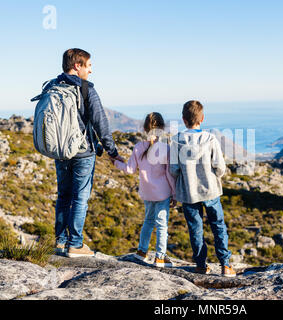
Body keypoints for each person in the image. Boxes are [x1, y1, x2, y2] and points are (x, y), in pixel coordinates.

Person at [50, 48, 124, 258]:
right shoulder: (86, 90)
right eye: (88, 66)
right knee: (80, 198)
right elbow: (101, 123)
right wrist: (112, 151)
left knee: (63, 195)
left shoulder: (54, 87)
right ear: (77, 66)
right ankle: (75, 244)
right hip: (82, 153)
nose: (90, 71)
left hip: (61, 151)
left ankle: (60, 241)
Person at [169, 100, 236, 277]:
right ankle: (225, 265)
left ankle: (200, 265)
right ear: (202, 118)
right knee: (218, 225)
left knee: (195, 228)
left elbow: (174, 169)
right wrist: (214, 175)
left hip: (188, 193)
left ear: (184, 120)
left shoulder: (176, 141)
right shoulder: (210, 138)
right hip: (211, 190)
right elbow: (220, 167)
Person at [111, 112, 177, 267]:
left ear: (145, 129)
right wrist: (174, 193)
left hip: (147, 193)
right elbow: (169, 174)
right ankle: (160, 256)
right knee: (162, 225)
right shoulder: (165, 148)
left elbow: (129, 169)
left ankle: (141, 251)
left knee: (148, 221)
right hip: (163, 193)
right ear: (161, 128)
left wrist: (115, 163)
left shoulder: (138, 147)